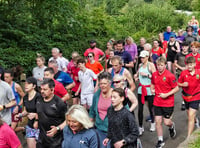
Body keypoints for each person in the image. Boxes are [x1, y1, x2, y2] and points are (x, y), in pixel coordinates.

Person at [151, 57, 179, 148]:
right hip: (157, 102)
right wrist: (152, 89)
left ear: (165, 65)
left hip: (168, 103)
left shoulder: (170, 75)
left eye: (161, 65)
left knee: (166, 122)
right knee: (158, 121)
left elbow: (176, 88)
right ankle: (160, 140)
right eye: (158, 65)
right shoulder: (154, 74)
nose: (159, 67)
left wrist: (166, 94)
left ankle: (171, 126)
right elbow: (152, 83)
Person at [36, 78, 68, 148]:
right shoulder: (39, 99)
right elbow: (38, 112)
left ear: (52, 90)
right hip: (41, 140)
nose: (42, 91)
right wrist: (36, 120)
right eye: (41, 89)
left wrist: (57, 128)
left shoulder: (59, 103)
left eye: (45, 89)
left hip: (55, 141)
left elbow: (68, 120)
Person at [134, 50, 156, 136]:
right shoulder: (140, 65)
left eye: (143, 57)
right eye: (141, 57)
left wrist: (147, 75)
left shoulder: (151, 65)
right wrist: (136, 77)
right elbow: (137, 74)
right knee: (140, 109)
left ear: (147, 57)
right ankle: (140, 126)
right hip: (141, 89)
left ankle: (153, 123)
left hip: (149, 89)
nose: (142, 59)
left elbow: (155, 77)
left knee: (151, 107)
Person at [178, 56, 200, 139]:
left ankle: (188, 138)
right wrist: (183, 84)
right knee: (189, 115)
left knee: (191, 114)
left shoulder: (198, 73)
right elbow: (178, 83)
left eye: (191, 64)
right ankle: (195, 121)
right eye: (188, 65)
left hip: (196, 96)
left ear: (194, 64)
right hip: (186, 97)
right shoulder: (183, 73)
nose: (189, 66)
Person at [15, 77, 40, 148]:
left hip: (40, 126)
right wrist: (19, 115)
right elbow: (26, 111)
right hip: (30, 126)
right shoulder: (25, 97)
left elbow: (43, 111)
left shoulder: (39, 97)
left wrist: (35, 115)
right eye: (25, 83)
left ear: (34, 86)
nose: (26, 85)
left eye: (28, 84)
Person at [89, 72, 113, 148]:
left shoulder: (116, 94)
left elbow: (125, 112)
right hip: (99, 129)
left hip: (113, 131)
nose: (102, 86)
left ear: (110, 83)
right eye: (100, 83)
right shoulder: (97, 94)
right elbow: (92, 111)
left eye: (104, 83)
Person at [174, 42, 189, 111]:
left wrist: (187, 67)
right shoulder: (178, 54)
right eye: (183, 47)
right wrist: (181, 68)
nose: (184, 48)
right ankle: (184, 102)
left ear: (188, 47)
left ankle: (188, 101)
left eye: (185, 46)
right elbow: (175, 63)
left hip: (189, 72)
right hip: (180, 73)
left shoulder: (190, 54)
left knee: (189, 87)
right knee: (183, 88)